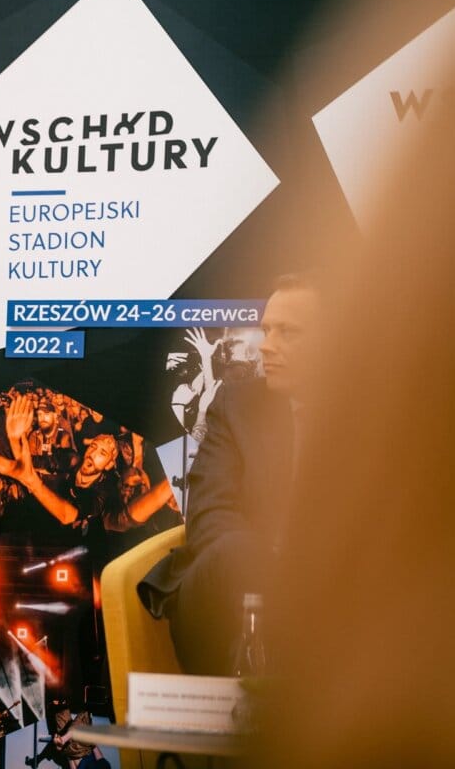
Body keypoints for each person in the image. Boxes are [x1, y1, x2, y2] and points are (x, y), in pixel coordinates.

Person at [137, 274, 320, 675]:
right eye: (267, 329)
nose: (267, 345)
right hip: (234, 585)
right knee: (235, 549)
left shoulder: (381, 414)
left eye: (288, 332)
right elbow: (209, 515)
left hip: (333, 592)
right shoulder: (239, 402)